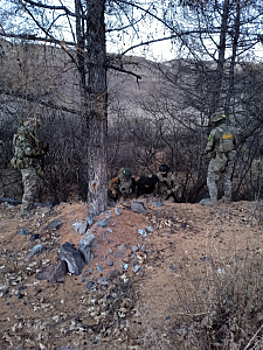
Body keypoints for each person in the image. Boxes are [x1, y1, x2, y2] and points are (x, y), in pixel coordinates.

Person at [11, 118, 48, 214]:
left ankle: (29, 207)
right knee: (30, 186)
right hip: (26, 165)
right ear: (30, 126)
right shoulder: (24, 136)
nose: (35, 130)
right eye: (35, 127)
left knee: (31, 185)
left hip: (28, 164)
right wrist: (40, 151)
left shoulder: (26, 135)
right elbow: (28, 151)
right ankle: (25, 211)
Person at [202, 112, 237, 207]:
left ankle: (213, 201)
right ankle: (227, 198)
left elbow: (209, 147)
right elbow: (235, 142)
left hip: (219, 158)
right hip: (230, 157)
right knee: (226, 178)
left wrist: (205, 152)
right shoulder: (232, 129)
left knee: (211, 178)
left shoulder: (214, 132)